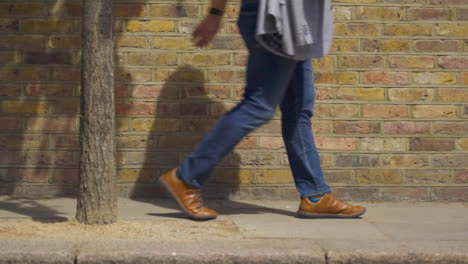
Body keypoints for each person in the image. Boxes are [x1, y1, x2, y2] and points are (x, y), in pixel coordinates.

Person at [159, 0, 366, 220]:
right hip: (277, 16)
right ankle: (186, 177)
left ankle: (315, 196)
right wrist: (215, 13)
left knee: (299, 109)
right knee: (258, 106)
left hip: (296, 18)